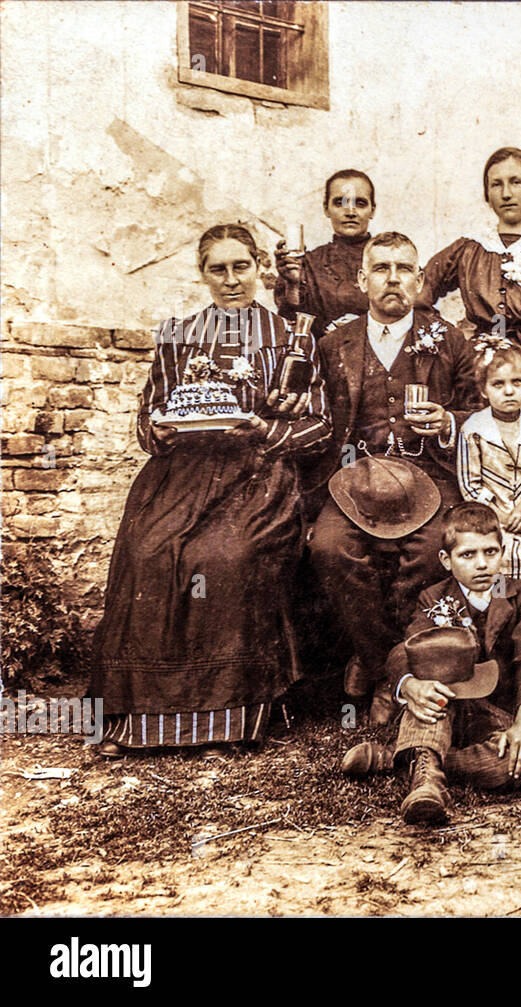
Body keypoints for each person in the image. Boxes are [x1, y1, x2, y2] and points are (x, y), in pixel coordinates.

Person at [90, 224, 330, 756]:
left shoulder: (292, 336)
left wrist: (267, 430)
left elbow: (320, 427)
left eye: (240, 267)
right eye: (216, 270)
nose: (230, 280)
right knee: (147, 550)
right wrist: (159, 430)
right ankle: (137, 719)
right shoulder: (178, 334)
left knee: (225, 555)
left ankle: (226, 717)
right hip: (181, 476)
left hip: (258, 474)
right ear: (202, 274)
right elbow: (148, 415)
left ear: (260, 267)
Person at [309, 231, 480, 718]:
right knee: (328, 546)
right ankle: (384, 664)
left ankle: (393, 673)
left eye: (404, 269)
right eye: (381, 268)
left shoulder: (447, 338)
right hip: (354, 478)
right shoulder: (334, 343)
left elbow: (478, 411)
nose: (393, 279)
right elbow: (319, 420)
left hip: (429, 470)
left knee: (431, 552)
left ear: (420, 279)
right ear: (363, 279)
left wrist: (448, 421)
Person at [341, 502, 521, 826]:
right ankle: (428, 786)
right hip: (445, 708)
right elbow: (405, 649)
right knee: (430, 698)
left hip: (492, 716)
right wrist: (411, 686)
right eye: (468, 555)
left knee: (520, 764)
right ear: (446, 560)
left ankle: (403, 759)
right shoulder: (434, 598)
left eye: (490, 552)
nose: (482, 564)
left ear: (503, 552)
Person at [419, 146, 521, 373]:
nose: (506, 193)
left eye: (516, 182)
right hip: (482, 365)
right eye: (496, 184)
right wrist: (451, 340)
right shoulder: (468, 248)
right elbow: (419, 291)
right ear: (487, 195)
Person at [456, 340, 521, 590]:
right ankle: (496, 606)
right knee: (492, 551)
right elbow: (470, 485)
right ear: (483, 390)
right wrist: (502, 515)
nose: (509, 391)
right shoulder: (473, 430)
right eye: (498, 384)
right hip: (489, 515)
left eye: (517, 382)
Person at [274, 169, 376, 338]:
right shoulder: (307, 265)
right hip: (323, 361)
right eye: (339, 203)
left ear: (372, 210)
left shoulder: (392, 261)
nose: (350, 212)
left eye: (360, 203)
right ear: (326, 209)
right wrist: (292, 285)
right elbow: (291, 328)